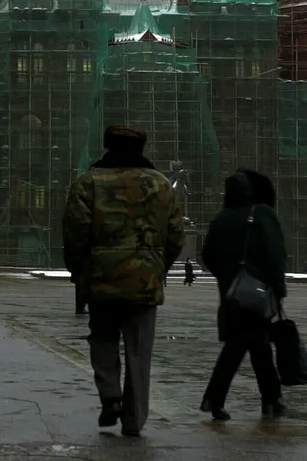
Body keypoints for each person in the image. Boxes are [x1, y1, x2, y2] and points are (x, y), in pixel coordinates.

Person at [62, 125, 184, 437]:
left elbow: (75, 234)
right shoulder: (160, 185)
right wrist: (157, 268)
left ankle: (110, 396)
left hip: (102, 281)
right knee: (139, 352)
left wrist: (80, 273)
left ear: (107, 146)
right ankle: (134, 420)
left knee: (102, 340)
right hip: (144, 283)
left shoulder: (88, 183)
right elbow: (175, 236)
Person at [200, 169, 287, 421]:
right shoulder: (262, 214)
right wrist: (278, 289)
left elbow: (207, 256)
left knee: (254, 346)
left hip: (231, 293)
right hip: (256, 293)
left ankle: (271, 399)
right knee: (242, 347)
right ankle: (217, 399)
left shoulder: (220, 218)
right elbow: (275, 254)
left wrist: (229, 277)